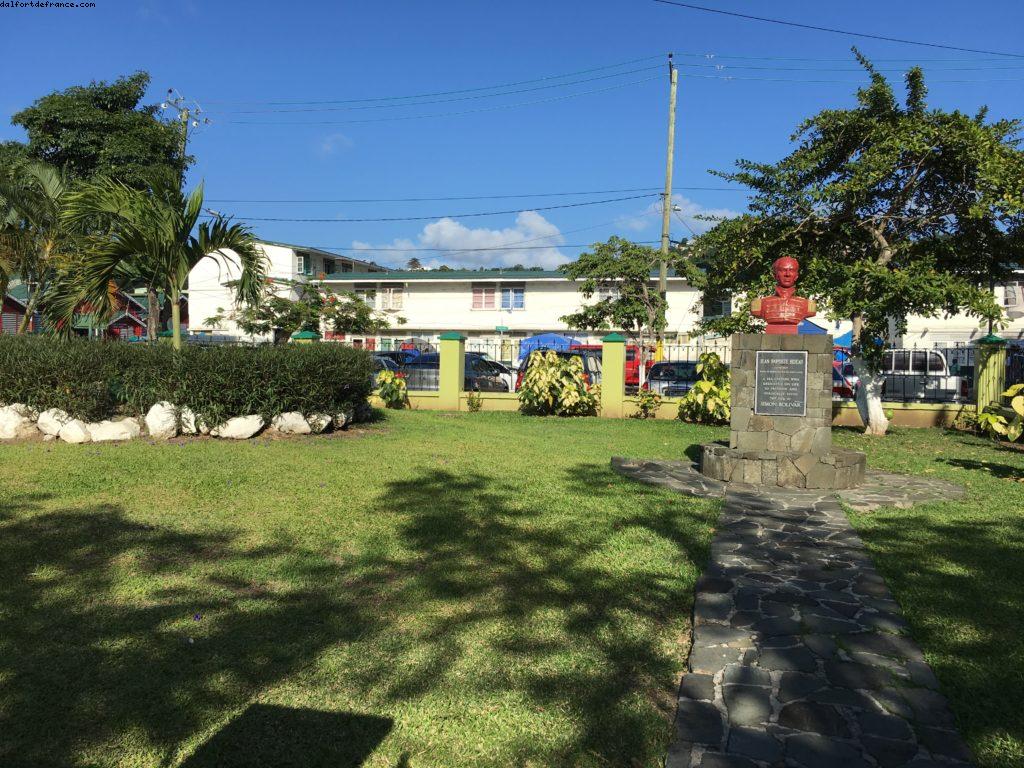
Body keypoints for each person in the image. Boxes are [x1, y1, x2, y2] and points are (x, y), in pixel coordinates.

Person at [750, 256, 817, 335]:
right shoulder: (759, 304)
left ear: (796, 276)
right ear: (775, 275)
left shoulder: (808, 305)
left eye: (791, 270)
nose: (787, 274)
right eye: (783, 270)